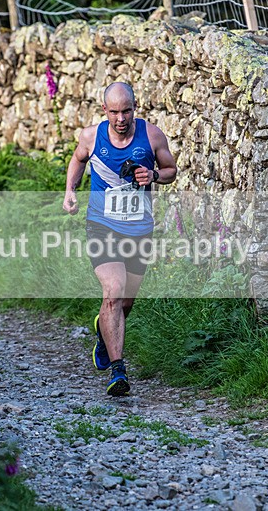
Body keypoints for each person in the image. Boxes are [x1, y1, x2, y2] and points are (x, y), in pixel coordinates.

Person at [63, 82, 177, 396]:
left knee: (125, 302)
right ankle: (118, 371)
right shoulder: (91, 136)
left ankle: (103, 331)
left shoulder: (151, 135)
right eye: (114, 112)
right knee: (113, 291)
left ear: (134, 108)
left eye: (126, 110)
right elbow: (77, 159)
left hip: (139, 229)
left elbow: (171, 170)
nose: (121, 118)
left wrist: (153, 175)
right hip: (102, 226)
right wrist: (70, 191)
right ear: (105, 111)